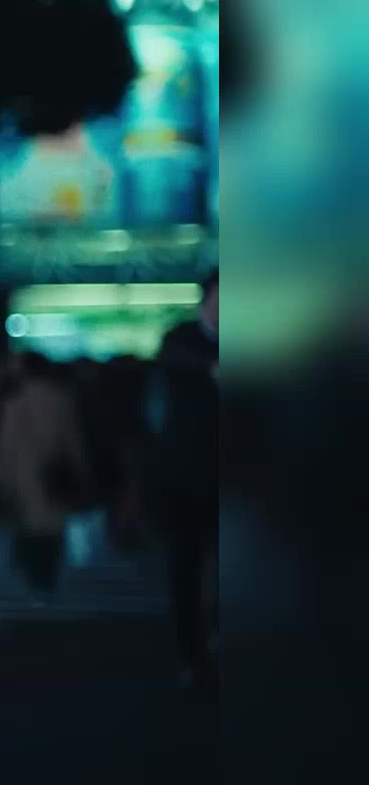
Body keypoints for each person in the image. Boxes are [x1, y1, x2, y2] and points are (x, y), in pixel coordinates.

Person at [148, 269, 218, 688]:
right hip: (188, 477)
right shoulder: (182, 340)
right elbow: (175, 358)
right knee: (186, 568)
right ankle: (192, 654)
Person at [0, 352, 93, 602]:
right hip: (55, 473)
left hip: (24, 475)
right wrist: (80, 471)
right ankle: (47, 579)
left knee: (30, 529)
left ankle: (34, 580)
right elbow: (73, 441)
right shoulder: (62, 400)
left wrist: (4, 479)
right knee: (53, 528)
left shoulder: (15, 404)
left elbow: (6, 447)